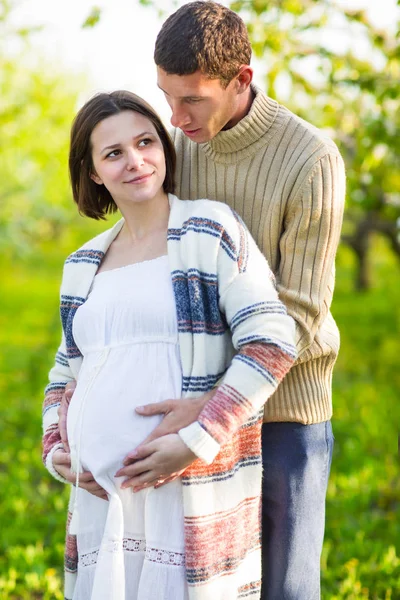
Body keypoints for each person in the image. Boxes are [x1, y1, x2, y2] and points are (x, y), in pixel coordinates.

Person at [42, 89, 297, 600]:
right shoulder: (82, 263)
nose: (135, 161)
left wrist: (196, 441)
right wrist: (58, 451)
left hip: (188, 487)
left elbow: (272, 341)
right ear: (93, 172)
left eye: (146, 142)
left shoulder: (209, 229)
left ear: (164, 147)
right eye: (113, 153)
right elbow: (64, 374)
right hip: (102, 501)